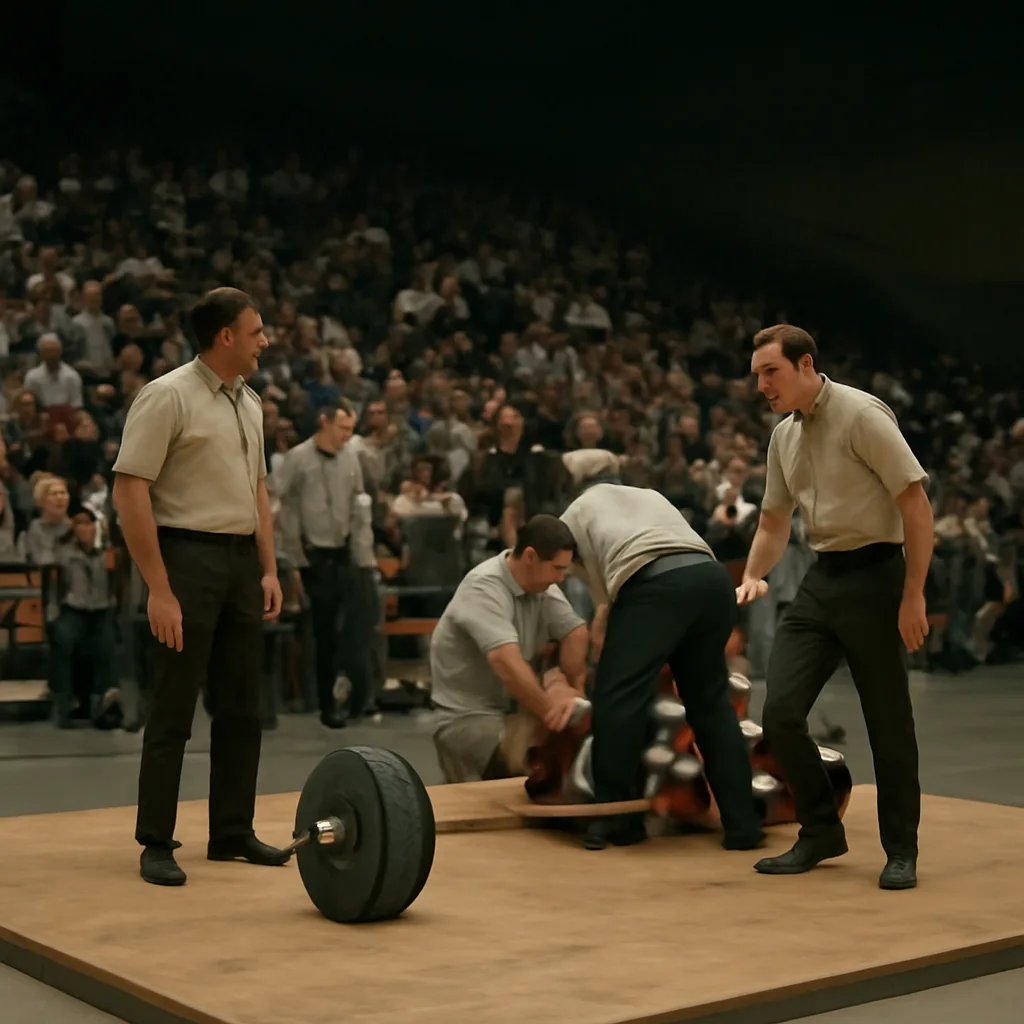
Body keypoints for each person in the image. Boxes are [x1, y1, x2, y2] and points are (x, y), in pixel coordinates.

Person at [738, 324, 933, 890]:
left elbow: (915, 502)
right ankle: (821, 830)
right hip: (825, 578)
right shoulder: (783, 438)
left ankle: (902, 849)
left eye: (770, 372)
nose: (762, 386)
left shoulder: (862, 414)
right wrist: (753, 574)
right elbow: (774, 521)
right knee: (779, 712)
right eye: (756, 376)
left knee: (888, 722)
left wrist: (913, 592)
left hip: (878, 574)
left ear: (804, 365)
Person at [112, 286, 287, 888]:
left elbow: (258, 489)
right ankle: (156, 840)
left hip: (240, 560)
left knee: (242, 706)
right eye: (257, 330)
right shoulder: (166, 396)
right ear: (226, 337)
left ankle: (233, 831)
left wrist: (268, 568)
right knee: (174, 705)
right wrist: (159, 589)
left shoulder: (251, 402)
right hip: (186, 557)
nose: (265, 340)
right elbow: (130, 489)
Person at [560, 472, 764, 852]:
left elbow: (603, 599)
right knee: (710, 702)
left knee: (617, 696)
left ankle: (613, 819)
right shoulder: (649, 494)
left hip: (653, 583)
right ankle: (743, 823)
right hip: (712, 580)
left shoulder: (574, 513)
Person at [430, 514, 590, 784]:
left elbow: (576, 632)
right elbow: (507, 664)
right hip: (467, 718)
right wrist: (554, 714)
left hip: (510, 711)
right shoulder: (484, 588)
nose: (561, 578)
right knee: (532, 771)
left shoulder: (541, 585)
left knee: (571, 754)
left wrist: (574, 692)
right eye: (556, 568)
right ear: (530, 557)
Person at [271, 398, 376, 727]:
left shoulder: (351, 458)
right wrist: (292, 559)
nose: (348, 434)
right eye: (343, 428)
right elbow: (282, 508)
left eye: (351, 429)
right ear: (324, 422)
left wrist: (363, 555)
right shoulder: (297, 459)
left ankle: (358, 696)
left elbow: (360, 507)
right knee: (324, 633)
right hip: (313, 555)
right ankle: (326, 702)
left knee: (355, 628)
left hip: (345, 552)